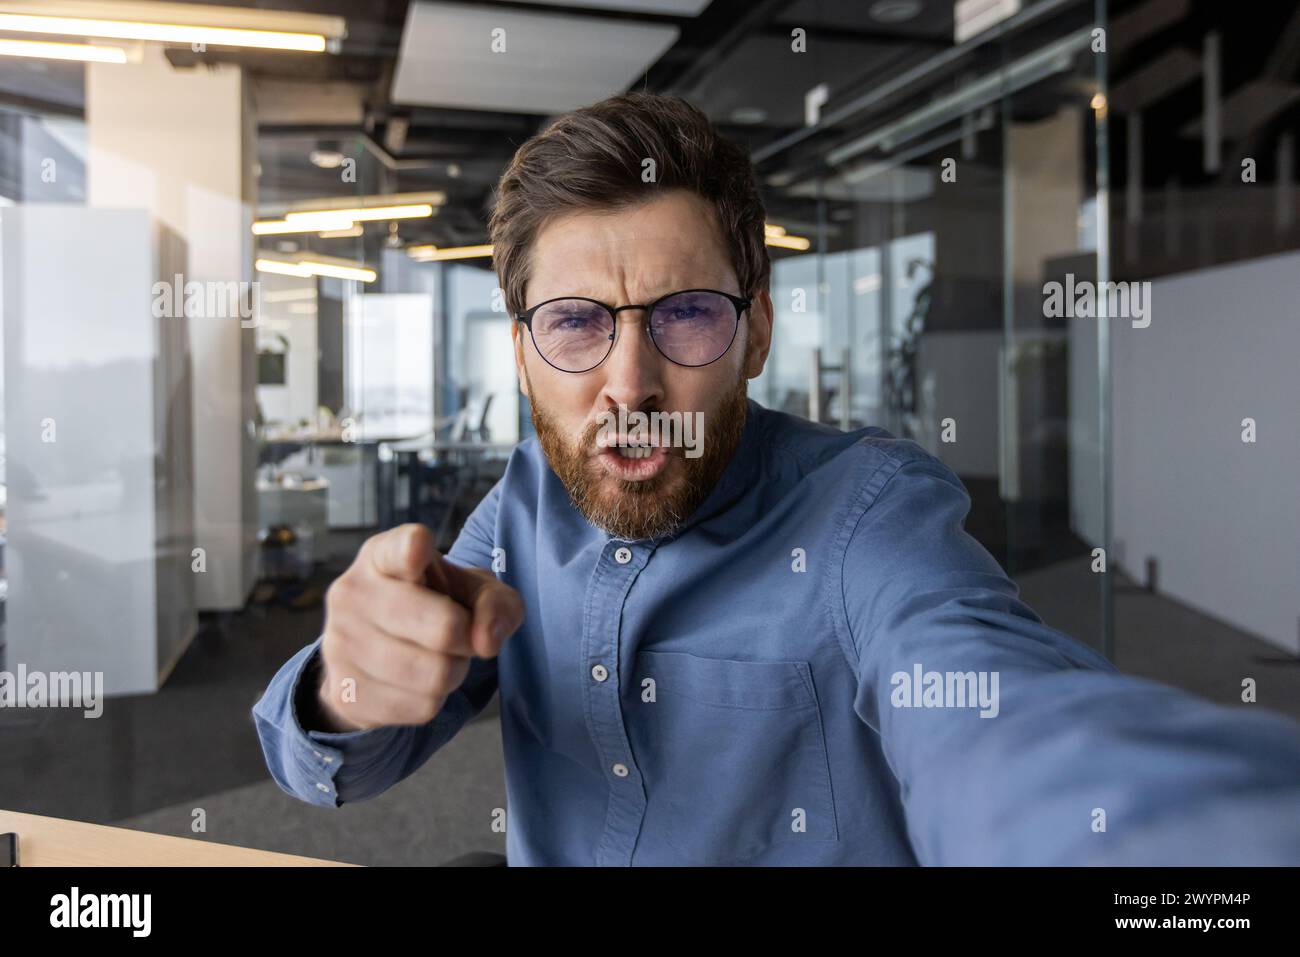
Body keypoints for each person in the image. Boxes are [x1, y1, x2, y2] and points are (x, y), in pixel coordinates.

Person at [252, 92, 1300, 866]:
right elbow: (332, 767)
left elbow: (1001, 720)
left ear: (753, 332)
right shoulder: (525, 498)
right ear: (522, 352)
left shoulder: (865, 517)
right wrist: (349, 685)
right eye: (574, 323)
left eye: (686, 313)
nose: (629, 382)